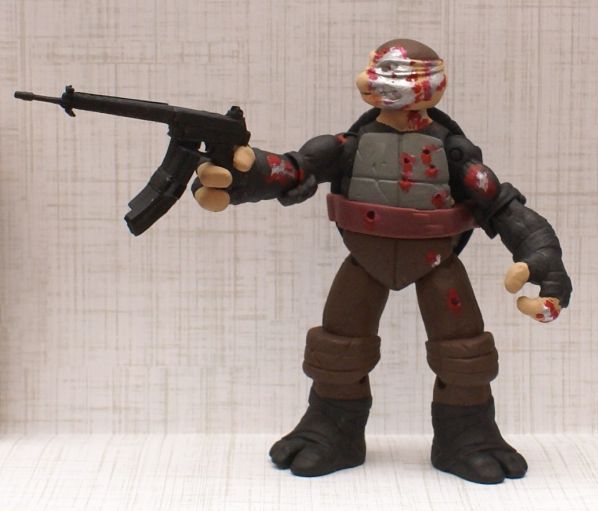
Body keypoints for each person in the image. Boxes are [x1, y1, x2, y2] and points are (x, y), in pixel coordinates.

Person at [192, 39, 572, 484]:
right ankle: (331, 427)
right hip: (365, 258)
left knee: (462, 350)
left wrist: (541, 253)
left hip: (435, 258)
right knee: (339, 344)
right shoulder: (347, 146)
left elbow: (500, 204)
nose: (383, 86)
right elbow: (292, 170)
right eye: (380, 75)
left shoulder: (452, 153)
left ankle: (468, 433)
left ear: (434, 87)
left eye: (399, 77)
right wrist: (242, 174)